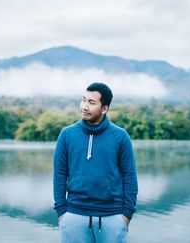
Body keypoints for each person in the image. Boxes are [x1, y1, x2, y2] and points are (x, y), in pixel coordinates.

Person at [53, 82, 138, 243]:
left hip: (112, 217)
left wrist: (126, 216)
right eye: (83, 100)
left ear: (104, 109)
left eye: (91, 103)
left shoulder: (120, 137)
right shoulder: (67, 135)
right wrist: (62, 212)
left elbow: (130, 178)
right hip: (74, 215)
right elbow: (59, 175)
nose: (84, 106)